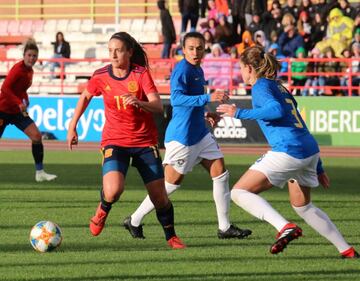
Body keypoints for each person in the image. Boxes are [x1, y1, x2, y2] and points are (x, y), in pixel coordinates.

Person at [216, 45, 359, 259]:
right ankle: (346, 250)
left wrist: (239, 113)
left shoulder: (260, 86)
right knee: (303, 206)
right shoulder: (278, 86)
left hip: (289, 149)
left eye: (241, 68)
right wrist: (318, 167)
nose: (241, 73)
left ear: (249, 68)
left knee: (239, 192)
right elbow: (297, 119)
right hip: (308, 149)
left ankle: (284, 227)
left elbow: (276, 110)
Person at [123, 32, 252, 240]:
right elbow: (176, 99)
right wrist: (208, 97)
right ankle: (134, 219)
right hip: (182, 138)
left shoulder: (198, 70)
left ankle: (225, 227)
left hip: (199, 133)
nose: (196, 52)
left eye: (200, 47)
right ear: (183, 49)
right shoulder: (182, 70)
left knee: (220, 172)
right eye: (191, 48)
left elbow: (190, 104)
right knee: (169, 185)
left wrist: (204, 113)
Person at [66, 32, 185, 249]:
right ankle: (103, 209)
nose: (113, 54)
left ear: (129, 52)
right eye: (110, 50)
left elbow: (158, 106)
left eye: (118, 50)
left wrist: (139, 102)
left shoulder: (141, 74)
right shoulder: (101, 75)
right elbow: (85, 96)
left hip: (144, 143)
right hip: (115, 141)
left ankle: (171, 237)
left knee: (159, 197)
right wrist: (73, 126)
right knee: (113, 191)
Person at [0, 39, 57, 183]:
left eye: (34, 56)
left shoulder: (30, 71)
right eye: (29, 55)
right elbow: (5, 88)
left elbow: (21, 89)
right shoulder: (17, 69)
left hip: (17, 112)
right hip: (3, 110)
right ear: (24, 55)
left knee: (37, 136)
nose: (32, 58)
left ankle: (40, 172)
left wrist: (25, 98)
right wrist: (19, 102)